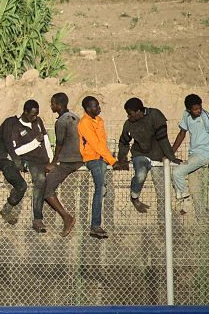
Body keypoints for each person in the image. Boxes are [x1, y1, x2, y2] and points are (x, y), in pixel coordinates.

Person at [0, 100, 52, 233]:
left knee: (40, 180)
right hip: (16, 159)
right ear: (25, 112)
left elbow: (45, 140)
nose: (34, 118)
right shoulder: (13, 125)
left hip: (34, 160)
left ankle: (36, 219)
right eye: (32, 115)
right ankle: (8, 209)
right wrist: (34, 143)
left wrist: (50, 160)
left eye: (36, 115)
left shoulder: (38, 122)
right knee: (22, 185)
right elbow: (15, 150)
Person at [114, 98, 181, 213]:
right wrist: (122, 159)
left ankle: (163, 222)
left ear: (139, 111)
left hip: (157, 156)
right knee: (140, 175)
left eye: (130, 114)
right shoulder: (129, 124)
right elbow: (123, 142)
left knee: (162, 191)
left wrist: (171, 156)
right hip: (140, 154)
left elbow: (163, 138)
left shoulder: (155, 116)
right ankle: (134, 197)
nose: (128, 116)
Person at [171, 94, 209, 215]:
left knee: (177, 172)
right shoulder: (186, 114)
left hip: (204, 155)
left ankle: (185, 199)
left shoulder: (205, 116)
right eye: (195, 109)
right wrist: (170, 153)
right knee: (195, 191)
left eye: (199, 107)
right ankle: (185, 198)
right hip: (194, 155)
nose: (198, 111)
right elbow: (181, 134)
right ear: (189, 110)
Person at [77, 96, 115, 239]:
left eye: (98, 105)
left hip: (102, 158)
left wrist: (108, 159)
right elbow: (95, 144)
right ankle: (95, 225)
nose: (98, 108)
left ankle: (98, 224)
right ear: (87, 109)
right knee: (100, 187)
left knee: (103, 188)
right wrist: (113, 161)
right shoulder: (84, 123)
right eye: (95, 106)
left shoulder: (99, 121)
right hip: (92, 159)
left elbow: (102, 142)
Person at [43, 93, 80, 237]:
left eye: (52, 104)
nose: (51, 106)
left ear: (58, 105)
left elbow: (59, 144)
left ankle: (66, 217)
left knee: (46, 189)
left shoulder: (61, 122)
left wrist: (53, 162)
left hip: (69, 161)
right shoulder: (76, 117)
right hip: (80, 158)